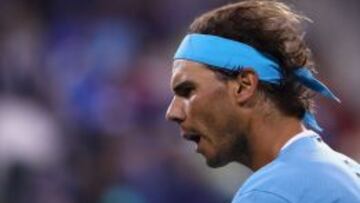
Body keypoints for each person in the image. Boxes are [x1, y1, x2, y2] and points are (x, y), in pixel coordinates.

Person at [165, 0, 360, 202]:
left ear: (244, 85)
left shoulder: (269, 193)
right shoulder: (349, 173)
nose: (172, 112)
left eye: (187, 91)